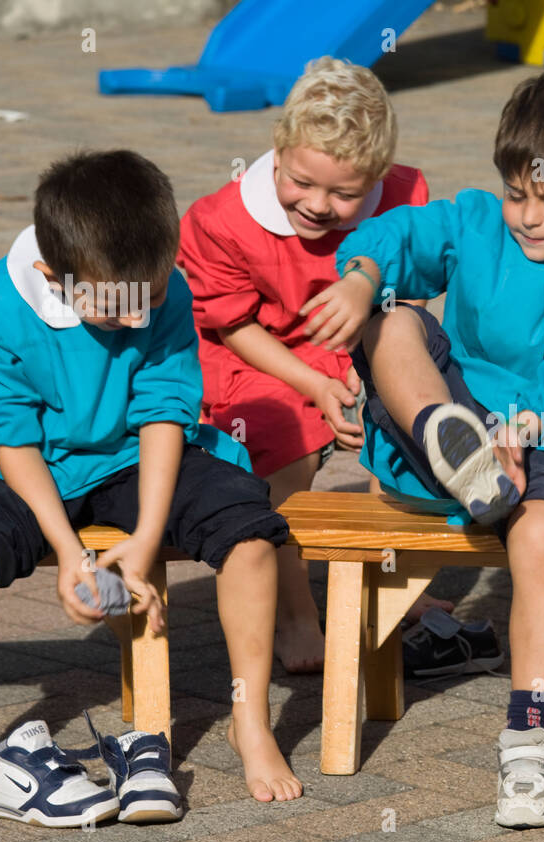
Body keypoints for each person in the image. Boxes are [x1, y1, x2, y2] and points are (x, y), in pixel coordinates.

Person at [0, 151, 303, 831]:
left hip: (128, 455)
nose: (136, 315)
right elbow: (12, 440)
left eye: (149, 297)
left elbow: (161, 411)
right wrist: (69, 554)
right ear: (50, 276)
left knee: (252, 535)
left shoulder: (160, 290)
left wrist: (147, 535)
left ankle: (250, 721)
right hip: (20, 466)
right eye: (117, 302)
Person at [314, 70, 544, 828]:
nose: (527, 217)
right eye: (517, 194)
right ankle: (453, 446)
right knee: (391, 319)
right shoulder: (479, 223)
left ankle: (529, 735)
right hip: (464, 431)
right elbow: (401, 236)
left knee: (539, 531)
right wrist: (362, 276)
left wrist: (522, 430)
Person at [178, 57, 437, 673]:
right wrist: (315, 381)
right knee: (284, 447)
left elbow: (412, 290)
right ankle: (295, 615)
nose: (318, 205)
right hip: (256, 354)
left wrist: (370, 361)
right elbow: (232, 323)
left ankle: (385, 589)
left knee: (402, 429)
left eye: (344, 194)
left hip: (357, 342)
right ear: (278, 151)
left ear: (375, 178)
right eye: (302, 182)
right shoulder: (220, 221)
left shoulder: (405, 195)